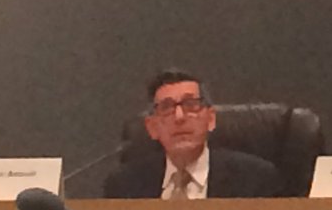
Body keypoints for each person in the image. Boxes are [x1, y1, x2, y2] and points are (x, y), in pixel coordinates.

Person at [104, 69, 282, 199]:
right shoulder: (123, 186)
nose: (179, 117)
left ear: (210, 119)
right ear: (152, 127)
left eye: (190, 105)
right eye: (166, 108)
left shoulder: (254, 179)